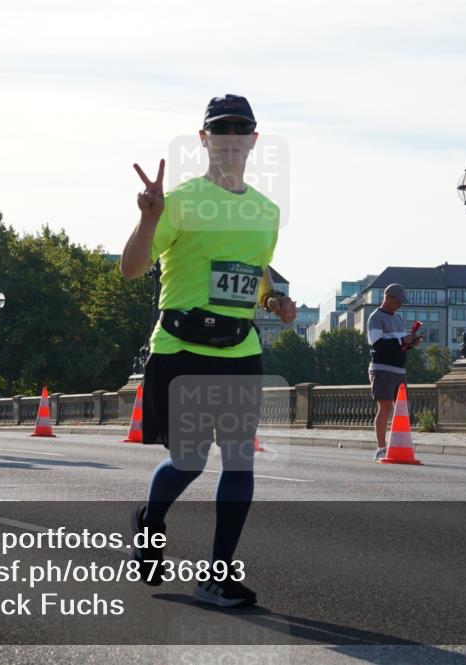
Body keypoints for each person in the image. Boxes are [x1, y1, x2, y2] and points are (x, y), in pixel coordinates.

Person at [120, 95, 295, 608]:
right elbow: (131, 269)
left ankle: (217, 575)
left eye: (241, 129)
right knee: (190, 463)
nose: (231, 137)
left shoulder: (267, 212)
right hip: (181, 349)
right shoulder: (178, 201)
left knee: (240, 463)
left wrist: (275, 301)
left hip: (239, 351)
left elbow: (256, 273)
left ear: (254, 140)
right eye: (221, 129)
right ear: (204, 139)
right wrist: (150, 217)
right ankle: (150, 521)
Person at [367, 283, 422, 460]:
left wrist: (410, 344)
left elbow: (399, 346)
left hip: (399, 370)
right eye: (398, 301)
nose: (400, 305)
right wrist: (401, 341)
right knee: (385, 408)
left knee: (400, 409)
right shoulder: (375, 318)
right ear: (388, 298)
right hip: (382, 368)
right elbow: (377, 345)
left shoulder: (397, 318)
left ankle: (396, 445)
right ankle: (381, 448)